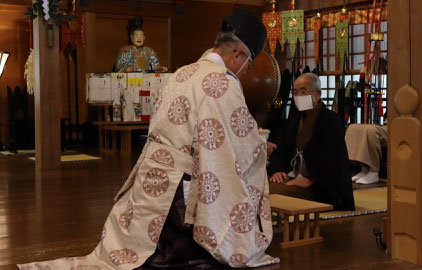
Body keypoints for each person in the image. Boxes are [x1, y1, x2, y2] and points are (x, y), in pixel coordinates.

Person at [19, 8, 279, 269]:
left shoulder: (181, 73)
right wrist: (261, 147)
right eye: (249, 62)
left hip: (150, 176)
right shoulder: (224, 83)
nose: (246, 71)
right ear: (238, 54)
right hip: (181, 188)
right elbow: (239, 141)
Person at [267, 73, 355, 211]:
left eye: (303, 91)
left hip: (319, 186)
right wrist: (278, 170)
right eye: (295, 92)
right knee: (263, 186)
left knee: (272, 193)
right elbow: (280, 148)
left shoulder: (330, 120)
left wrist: (311, 179)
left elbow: (334, 158)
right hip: (293, 176)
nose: (298, 96)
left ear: (318, 94)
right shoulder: (295, 120)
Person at [345, 120, 388, 185]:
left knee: (371, 130)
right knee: (352, 127)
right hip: (385, 124)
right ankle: (365, 169)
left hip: (397, 126)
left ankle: (374, 171)